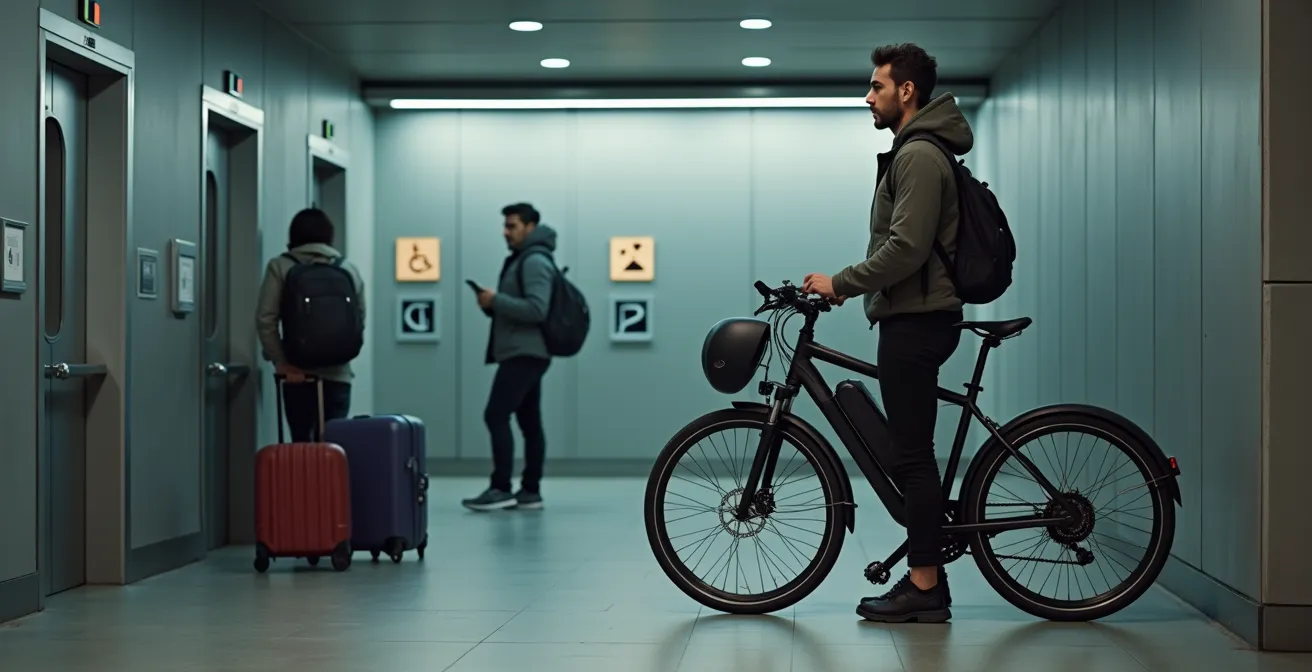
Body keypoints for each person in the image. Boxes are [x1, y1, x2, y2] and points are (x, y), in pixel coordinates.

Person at [802, 43, 973, 623]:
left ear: (906, 91)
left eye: (876, 86)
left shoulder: (920, 154)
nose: (867, 96)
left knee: (913, 457)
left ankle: (924, 586)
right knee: (911, 452)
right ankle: (928, 574)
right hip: (912, 316)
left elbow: (907, 248)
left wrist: (842, 283)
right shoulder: (913, 150)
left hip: (917, 322)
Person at [461, 202, 559, 512]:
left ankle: (501, 487)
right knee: (529, 421)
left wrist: (496, 300)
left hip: (525, 352)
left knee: (495, 415)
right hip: (523, 351)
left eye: (512, 226)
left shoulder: (534, 261)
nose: (506, 232)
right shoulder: (524, 260)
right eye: (505, 226)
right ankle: (530, 491)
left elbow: (536, 309)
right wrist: (493, 305)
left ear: (530, 227)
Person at [256, 207, 366, 442]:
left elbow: (266, 319)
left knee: (302, 447)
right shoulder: (347, 269)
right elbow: (359, 319)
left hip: (297, 374)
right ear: (329, 235)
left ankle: (302, 481)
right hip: (339, 374)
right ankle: (331, 481)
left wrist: (281, 361)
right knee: (334, 446)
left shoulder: (280, 267)